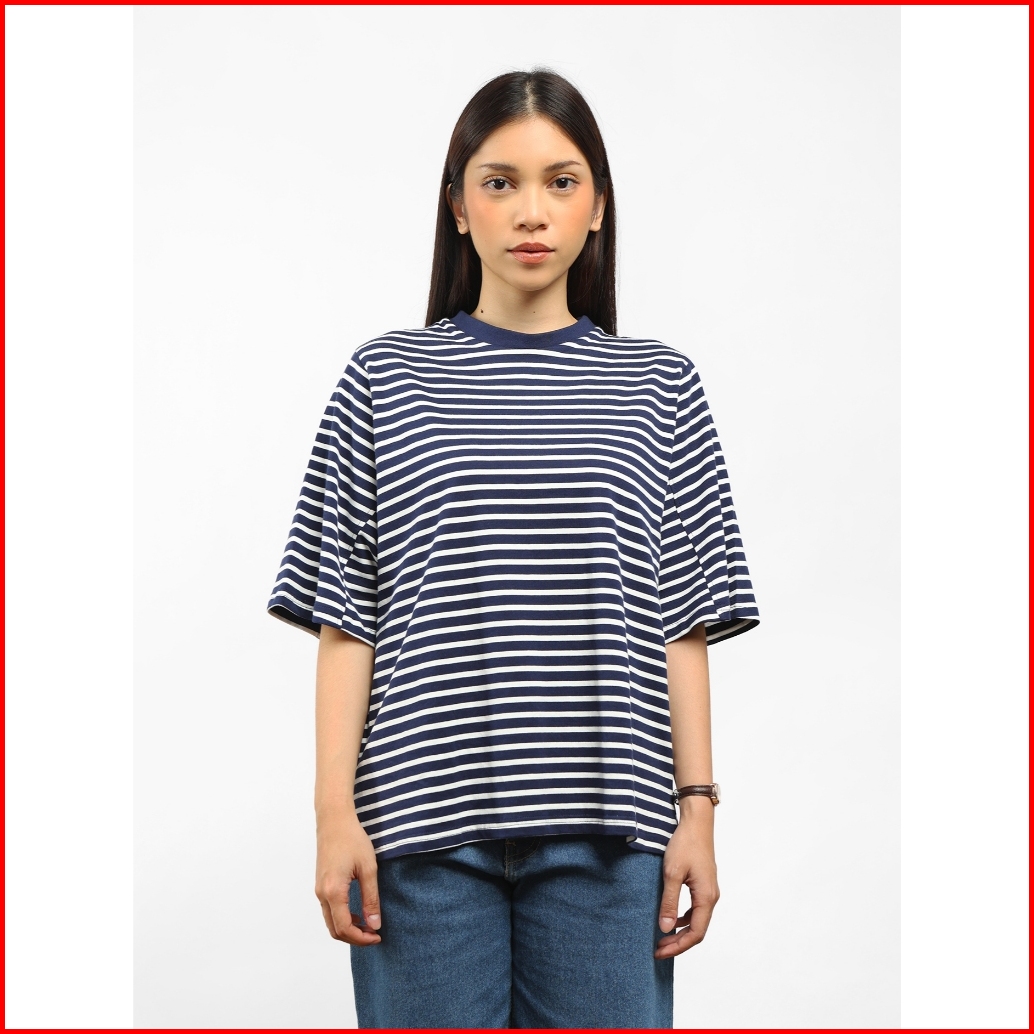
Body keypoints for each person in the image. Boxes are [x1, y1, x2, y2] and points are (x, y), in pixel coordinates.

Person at [267, 68, 760, 1030]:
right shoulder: (385, 379)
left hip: (609, 835)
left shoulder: (660, 387)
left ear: (598, 205)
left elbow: (684, 622)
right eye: (499, 182)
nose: (532, 211)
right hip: (419, 832)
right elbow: (347, 618)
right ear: (457, 206)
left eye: (560, 182)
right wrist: (334, 813)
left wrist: (698, 811)